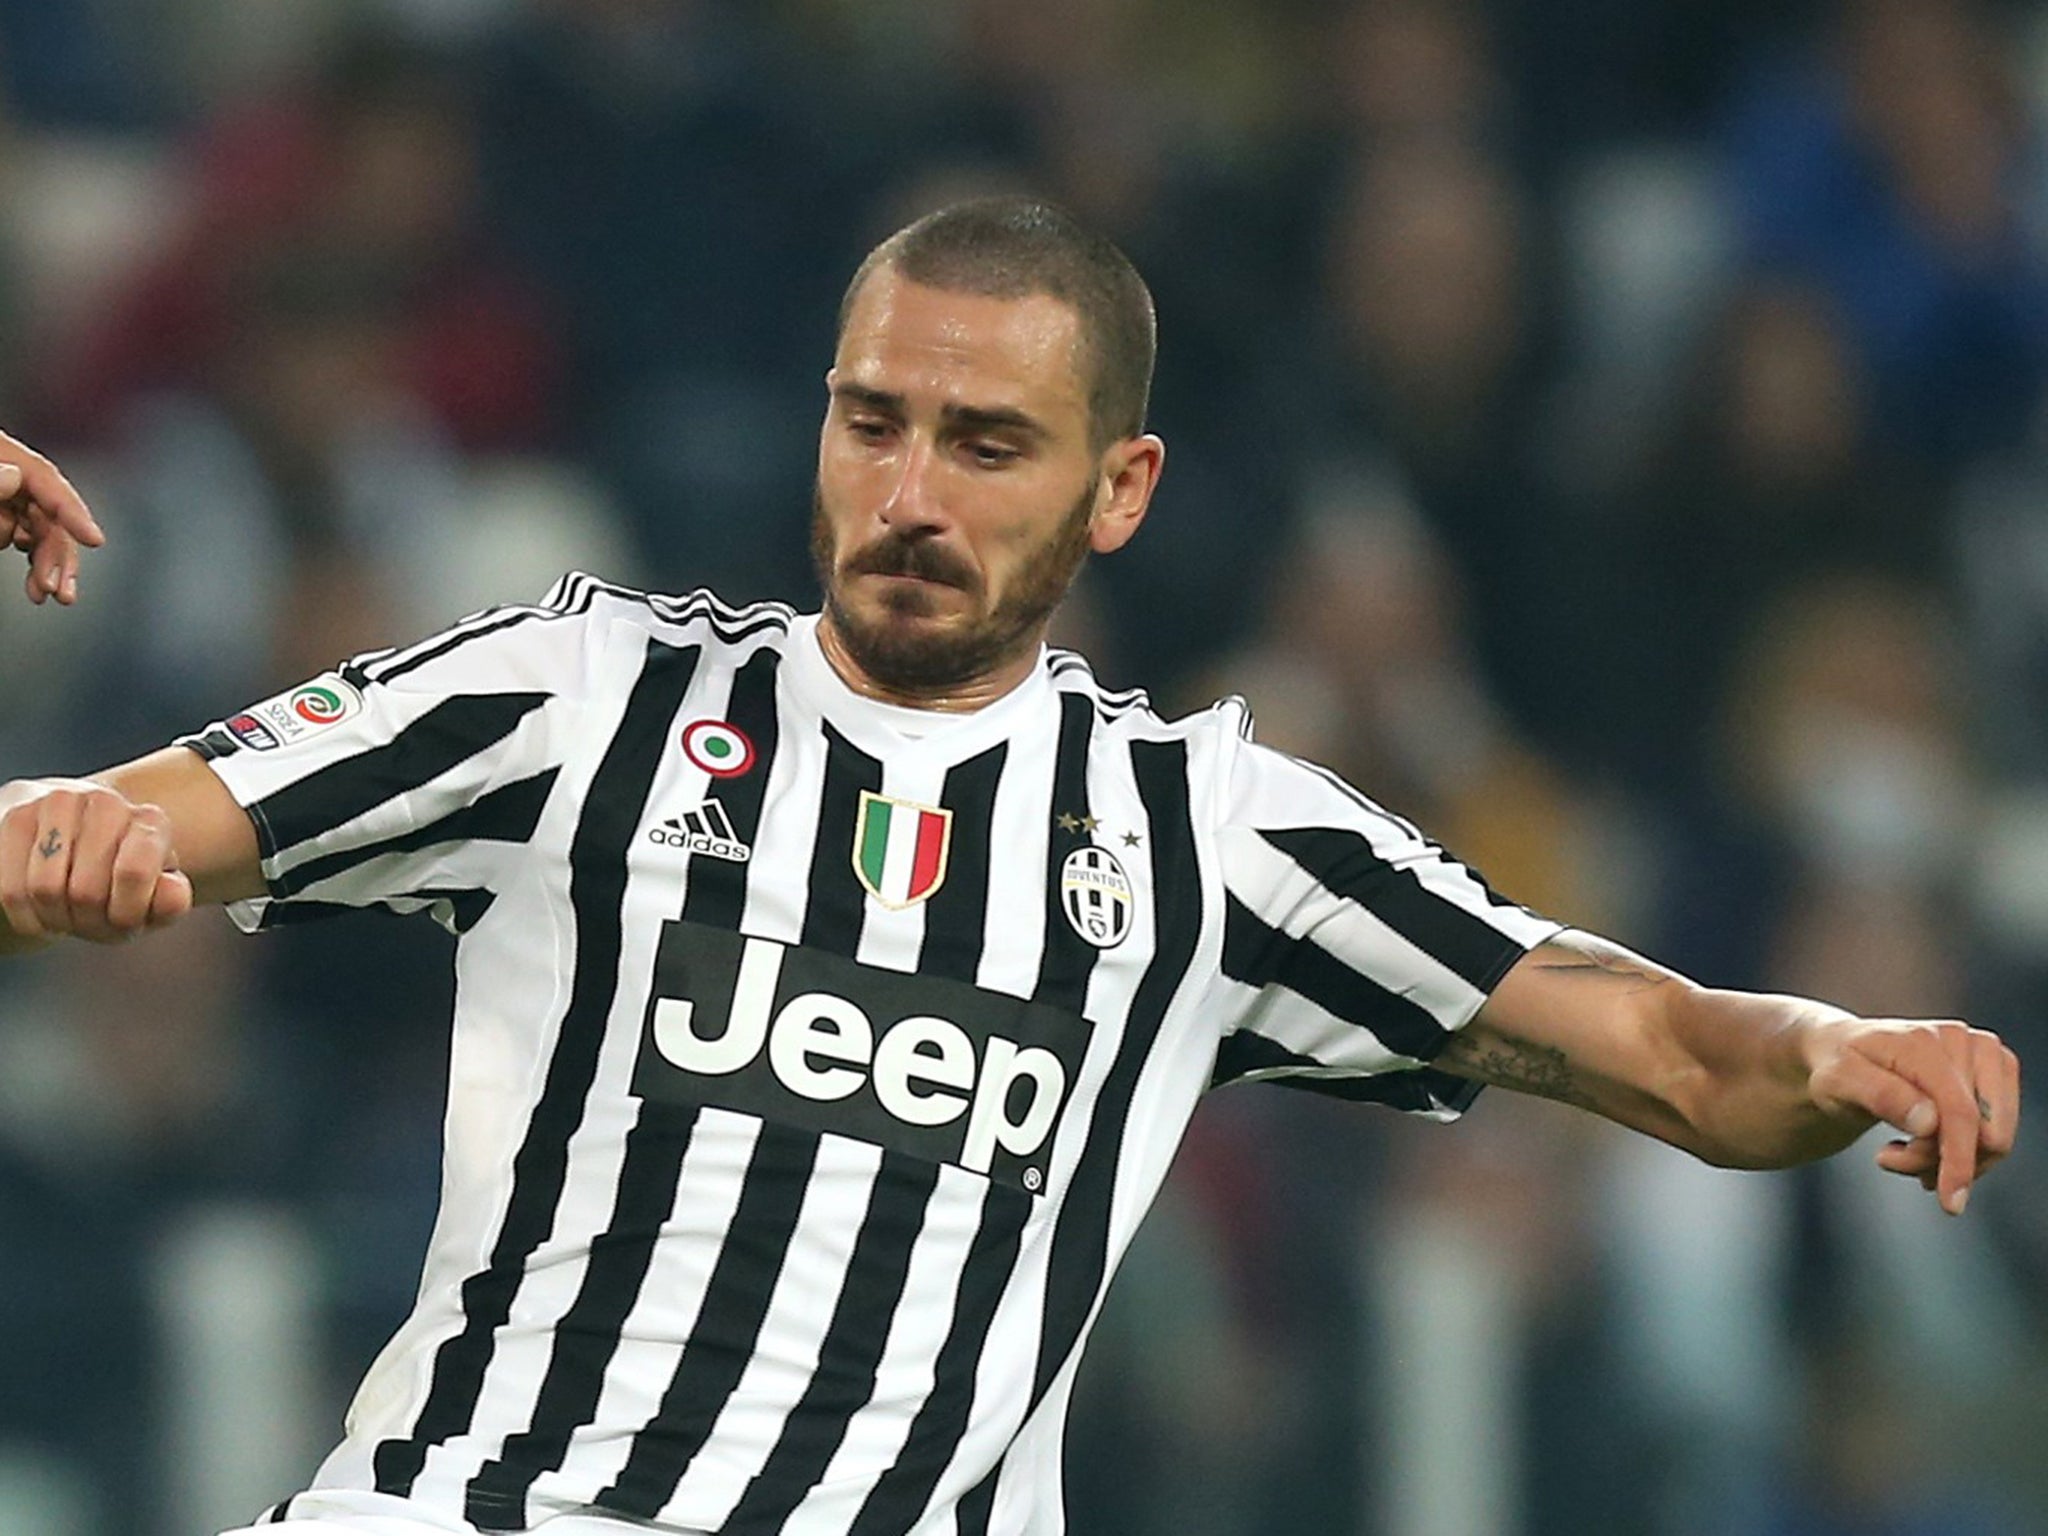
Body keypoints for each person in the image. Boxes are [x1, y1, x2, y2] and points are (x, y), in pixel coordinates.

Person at [0, 198, 2022, 1536]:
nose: (907, 491)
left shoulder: (1214, 837)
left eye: (983, 443)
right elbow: (96, 827)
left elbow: (1671, 1054)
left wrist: (1838, 1047)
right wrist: (73, 840)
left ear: (1117, 488)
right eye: (870, 421)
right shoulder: (574, 693)